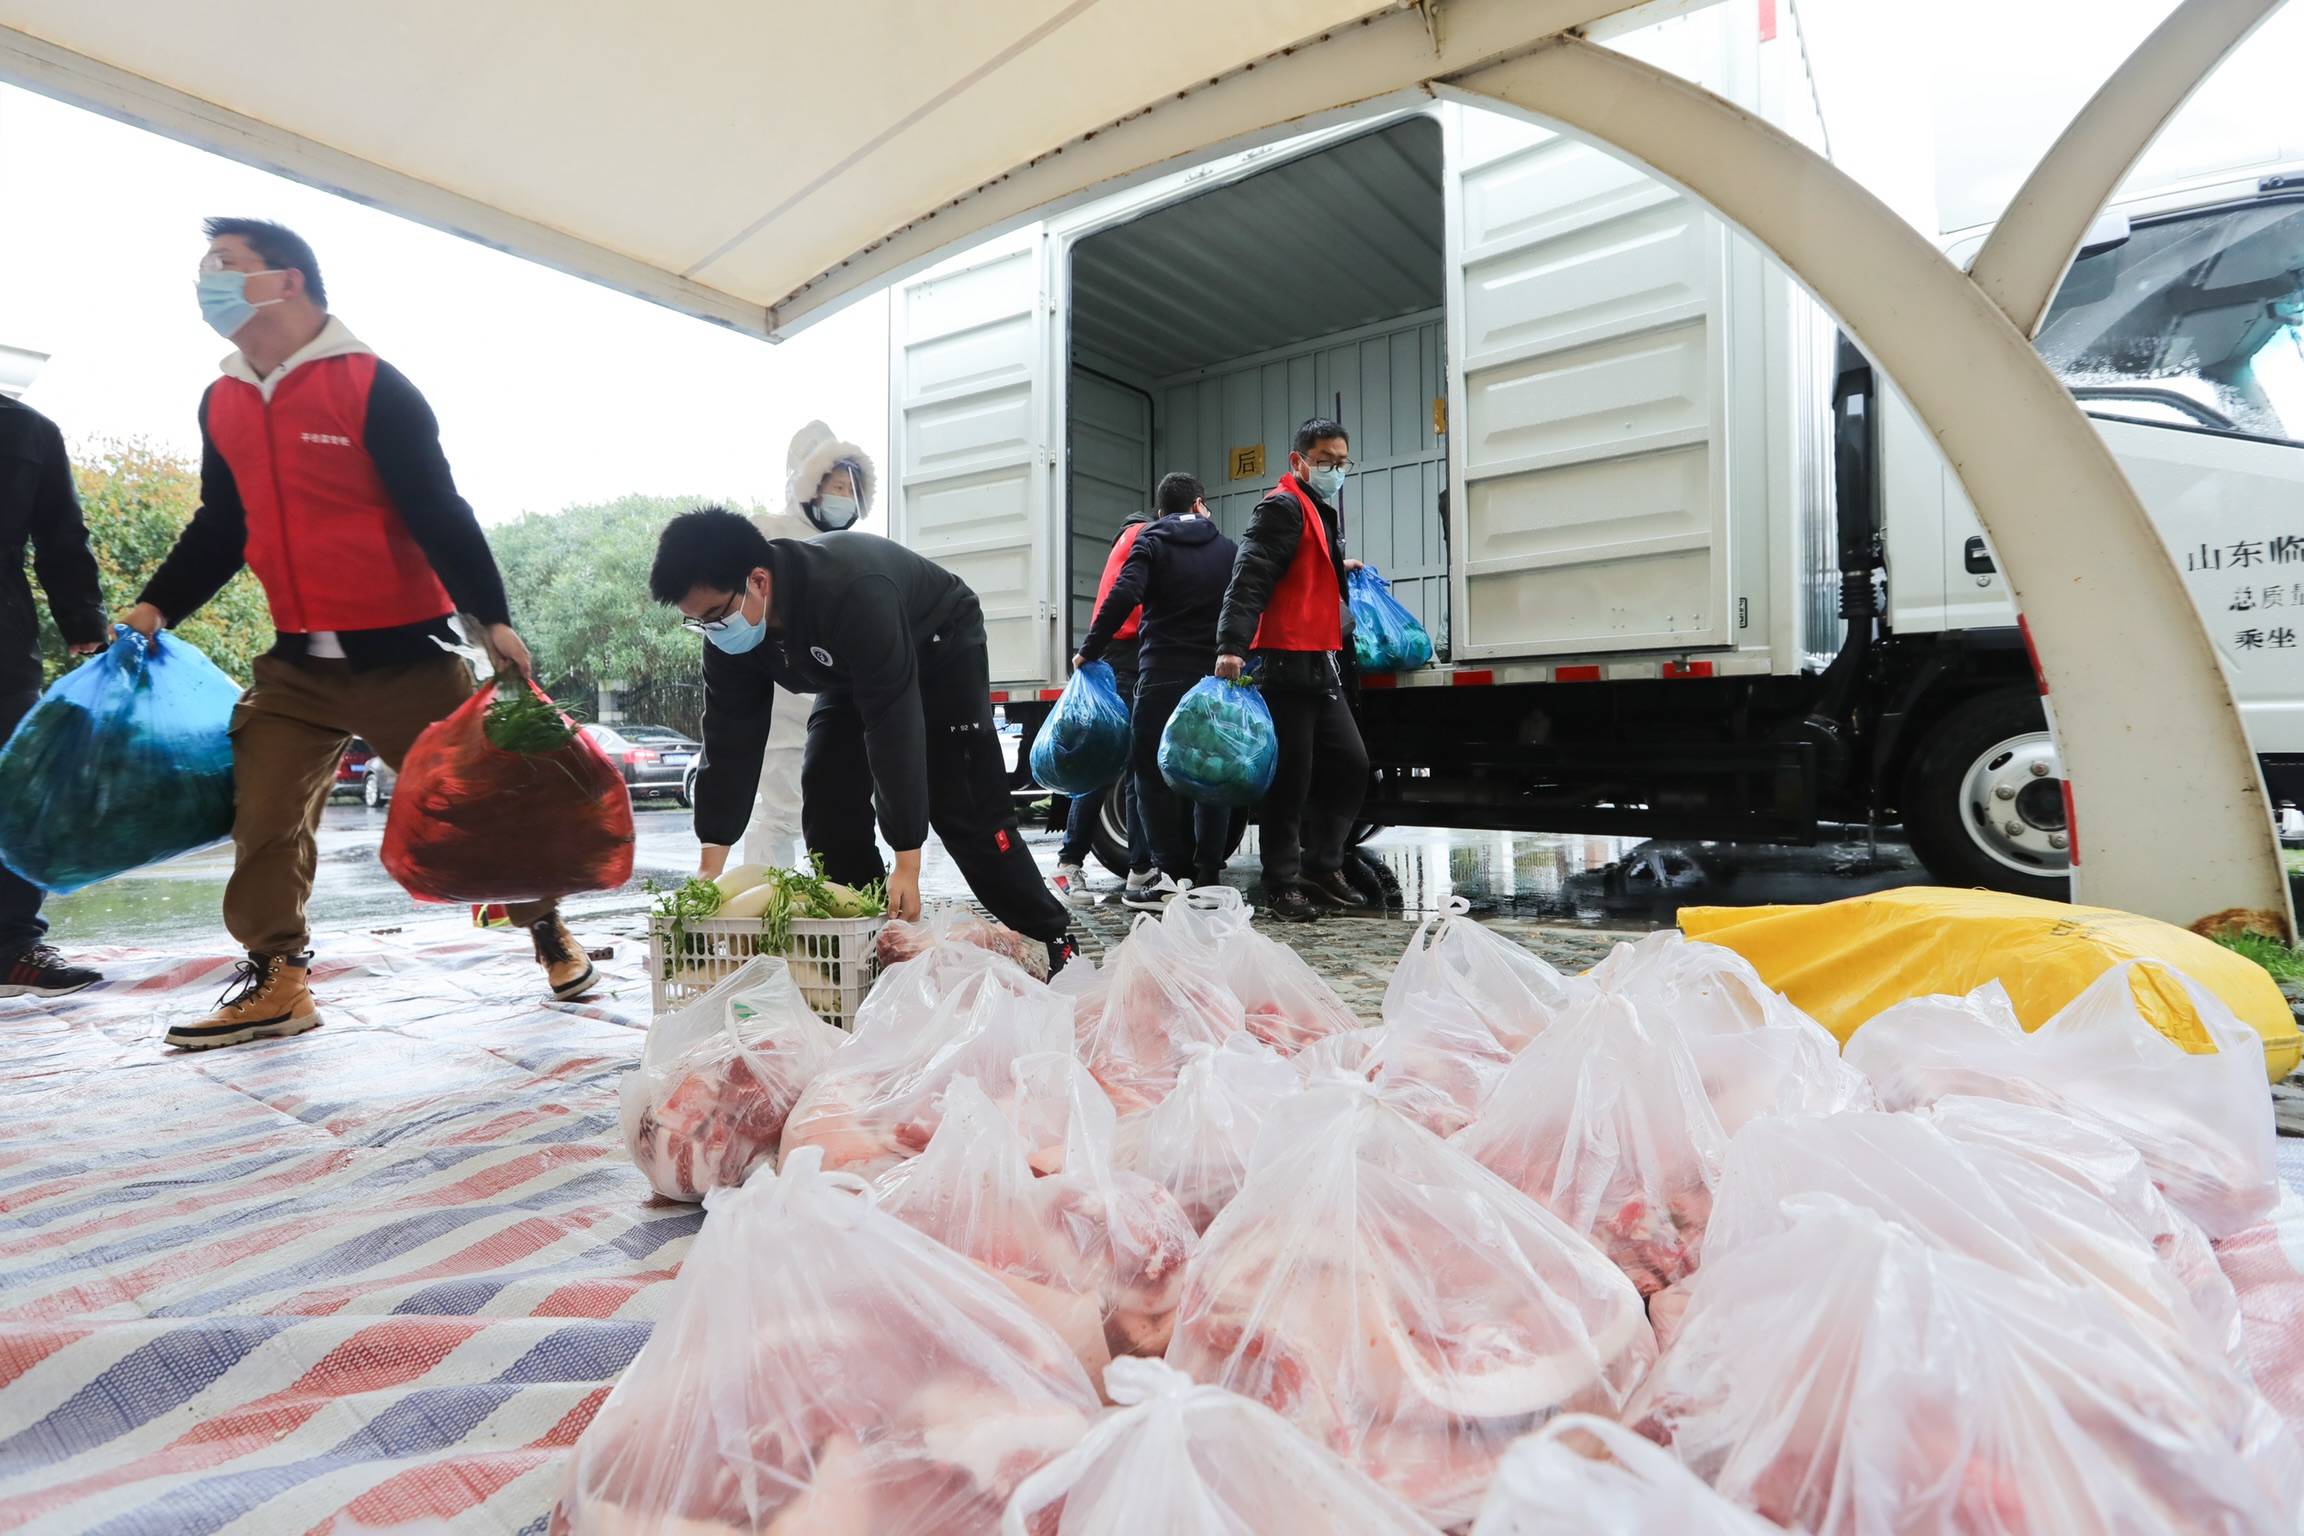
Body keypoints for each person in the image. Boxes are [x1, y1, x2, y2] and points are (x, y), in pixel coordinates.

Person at [125, 217, 596, 1051]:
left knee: (479, 812)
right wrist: (156, 606)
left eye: (225, 265)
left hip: (406, 659)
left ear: (287, 281)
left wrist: (491, 618)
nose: (208, 283)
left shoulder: (373, 386)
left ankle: (546, 929)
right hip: (294, 668)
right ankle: (278, 976)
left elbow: (438, 509)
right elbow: (222, 525)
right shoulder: (222, 400)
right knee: (263, 818)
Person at [650, 507, 1076, 972]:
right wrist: (710, 867)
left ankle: (1051, 936)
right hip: (852, 668)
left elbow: (893, 726)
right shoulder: (728, 635)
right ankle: (874, 940)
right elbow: (728, 739)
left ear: (758, 580)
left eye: (716, 615)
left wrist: (908, 863)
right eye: (698, 622)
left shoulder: (850, 590)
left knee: (964, 806)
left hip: (940, 645)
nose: (712, 631)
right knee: (826, 794)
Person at [1214, 418, 1372, 924]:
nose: (1335, 470)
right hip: (1282, 665)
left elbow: (1302, 571)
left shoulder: (1317, 509)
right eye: (1325, 461)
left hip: (1320, 663)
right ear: (1298, 461)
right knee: (1289, 782)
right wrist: (1231, 646)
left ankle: (1322, 866)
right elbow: (1250, 575)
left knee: (1352, 764)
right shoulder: (1281, 506)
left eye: (1342, 462)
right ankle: (1281, 884)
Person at [1076, 472, 1236, 907]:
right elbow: (1246, 604)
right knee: (1212, 773)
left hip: (1161, 674)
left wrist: (1090, 649)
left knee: (1148, 774)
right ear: (1199, 505)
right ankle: (1208, 876)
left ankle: (1171, 877)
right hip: (1212, 681)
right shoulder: (1227, 549)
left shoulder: (1151, 541)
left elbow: (1123, 594)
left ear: (1162, 511)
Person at [0, 394, 107, 998]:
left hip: (3, 641)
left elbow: (62, 535)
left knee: (16, 790)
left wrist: (84, 623)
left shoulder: (28, 431)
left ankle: (12, 945)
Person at [741, 421, 878, 870]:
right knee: (781, 810)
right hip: (783, 704)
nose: (844, 496)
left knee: (838, 808)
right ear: (807, 482)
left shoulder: (853, 546)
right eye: (836, 486)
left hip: (838, 702)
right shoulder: (766, 532)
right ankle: (766, 901)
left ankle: (832, 896)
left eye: (851, 489)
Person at [1052, 507, 1153, 905]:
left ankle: (1132, 866)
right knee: (1120, 766)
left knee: (1115, 766)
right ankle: (1073, 862)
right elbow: (1129, 606)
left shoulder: (1123, 546)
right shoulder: (1142, 539)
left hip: (1118, 662)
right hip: (1126, 663)